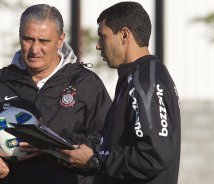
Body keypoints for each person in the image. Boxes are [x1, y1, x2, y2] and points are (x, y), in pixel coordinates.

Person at [0, 4, 112, 184]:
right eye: (28, 39)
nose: (34, 49)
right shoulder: (0, 82)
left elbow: (108, 138)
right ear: (19, 37)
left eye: (43, 41)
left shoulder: (86, 83)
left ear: (60, 40)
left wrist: (54, 144)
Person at [61, 2, 181, 184]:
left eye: (103, 37)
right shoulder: (136, 77)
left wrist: (95, 160)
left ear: (124, 35)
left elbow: (153, 156)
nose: (98, 46)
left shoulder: (145, 83)